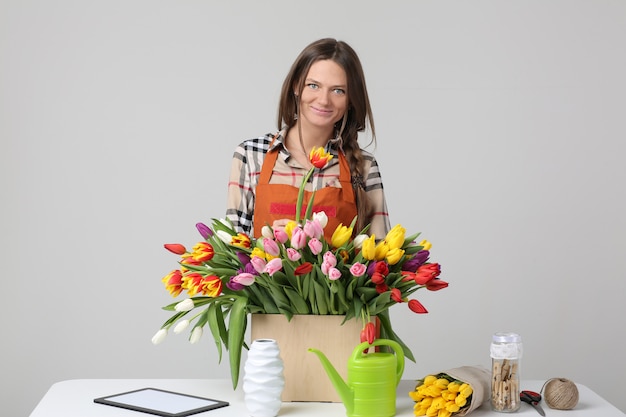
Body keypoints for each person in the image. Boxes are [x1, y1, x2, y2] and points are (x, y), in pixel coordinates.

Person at [226, 38, 391, 241]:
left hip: (340, 275)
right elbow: (232, 251)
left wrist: (318, 251)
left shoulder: (364, 166)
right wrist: (271, 244)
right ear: (296, 86)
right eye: (313, 86)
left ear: (351, 100)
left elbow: (381, 260)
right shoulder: (252, 155)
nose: (323, 100)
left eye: (338, 90)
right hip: (265, 272)